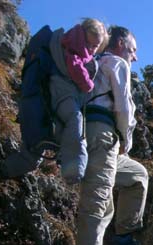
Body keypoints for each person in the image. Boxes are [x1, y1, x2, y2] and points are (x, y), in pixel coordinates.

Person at [70, 25, 148, 245]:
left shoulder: (99, 64)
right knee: (97, 205)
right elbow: (124, 107)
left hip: (103, 140)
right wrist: (127, 139)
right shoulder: (115, 62)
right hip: (103, 136)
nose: (135, 56)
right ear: (119, 43)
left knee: (137, 176)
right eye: (133, 48)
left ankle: (123, 239)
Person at [49, 18, 108, 184]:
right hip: (62, 93)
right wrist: (88, 85)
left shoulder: (70, 39)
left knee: (67, 123)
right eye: (90, 44)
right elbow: (75, 67)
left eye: (95, 46)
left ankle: (63, 158)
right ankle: (74, 171)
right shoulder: (75, 46)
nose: (91, 49)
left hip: (58, 92)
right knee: (76, 120)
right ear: (84, 35)